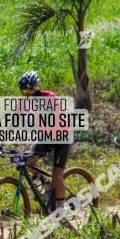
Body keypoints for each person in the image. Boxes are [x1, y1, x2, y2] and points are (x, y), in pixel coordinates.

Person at [18, 70, 69, 210]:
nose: (26, 95)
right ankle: (47, 194)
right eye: (23, 92)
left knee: (57, 175)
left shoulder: (50, 97)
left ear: (36, 87)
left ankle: (60, 210)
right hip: (46, 136)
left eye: (28, 91)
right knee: (28, 163)